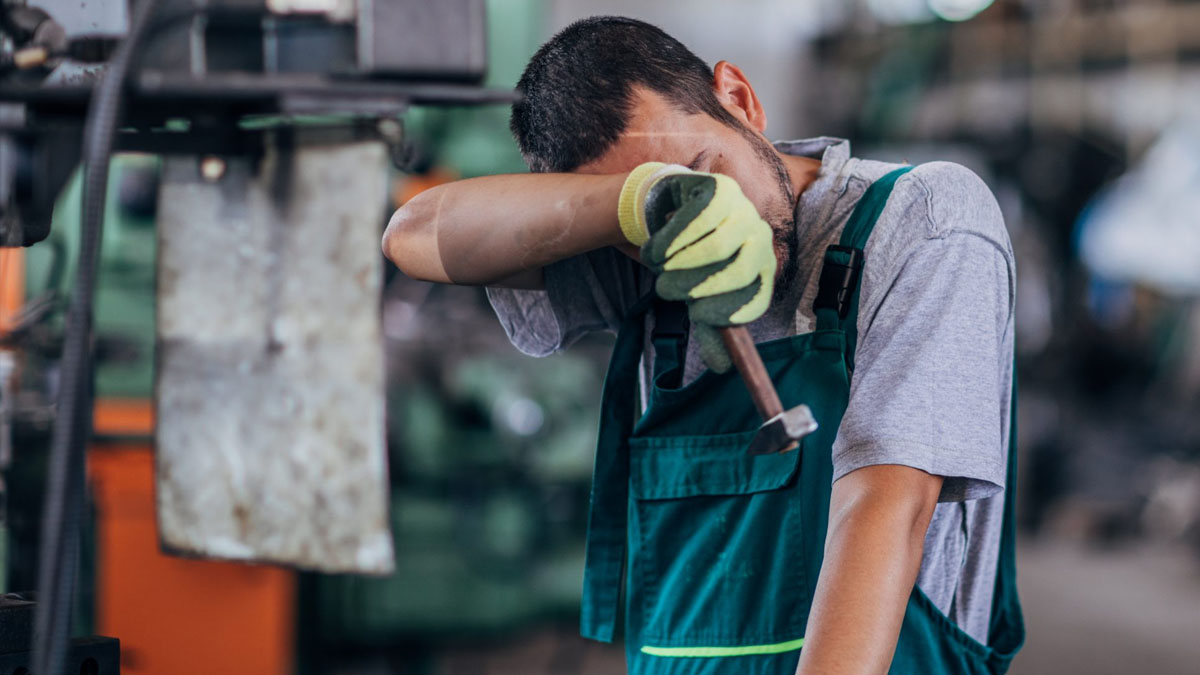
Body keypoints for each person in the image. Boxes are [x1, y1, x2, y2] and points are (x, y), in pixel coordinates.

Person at [383, 15, 1023, 675]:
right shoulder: (646, 248)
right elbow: (416, 232)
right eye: (673, 203)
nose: (714, 219)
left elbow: (886, 506)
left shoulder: (924, 218)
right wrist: (639, 206)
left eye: (702, 171)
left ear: (740, 99)